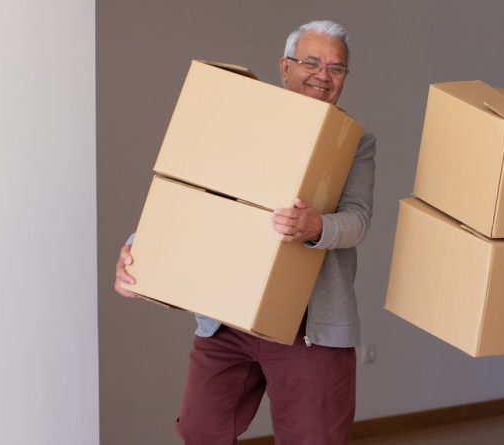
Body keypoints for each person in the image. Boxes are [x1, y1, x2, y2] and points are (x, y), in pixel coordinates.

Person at [113, 19, 376, 445]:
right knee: (200, 430)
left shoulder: (355, 142)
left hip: (308, 328)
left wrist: (316, 227)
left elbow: (358, 220)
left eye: (336, 68)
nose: (323, 76)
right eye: (311, 62)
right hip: (227, 319)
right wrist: (134, 249)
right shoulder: (244, 122)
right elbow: (191, 190)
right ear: (284, 67)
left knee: (314, 438)